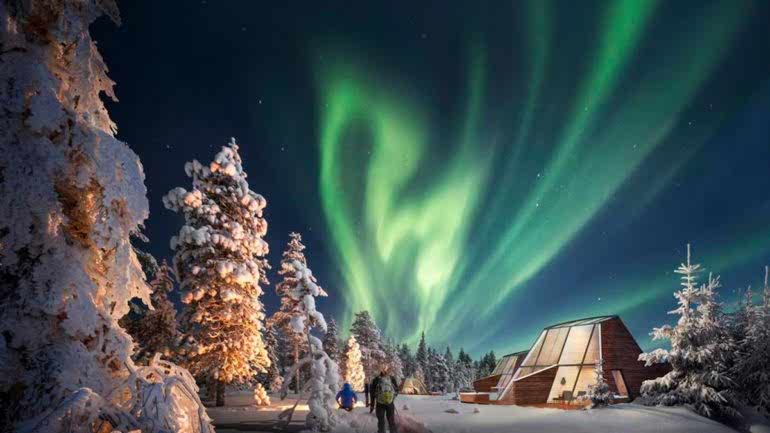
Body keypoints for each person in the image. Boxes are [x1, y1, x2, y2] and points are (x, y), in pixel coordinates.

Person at [369, 367, 398, 433]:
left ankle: (381, 431)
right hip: (390, 403)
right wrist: (392, 398)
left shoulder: (376, 379)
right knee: (391, 420)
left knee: (381, 421)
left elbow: (372, 393)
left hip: (380, 403)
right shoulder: (391, 378)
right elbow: (396, 390)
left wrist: (372, 405)